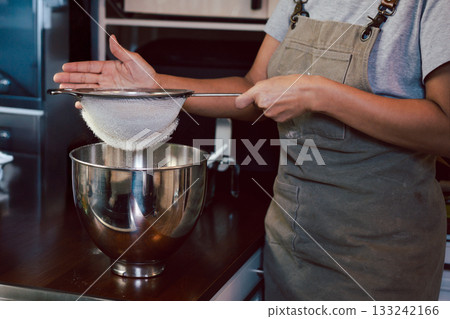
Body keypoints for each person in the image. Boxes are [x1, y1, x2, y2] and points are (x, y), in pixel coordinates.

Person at [54, 0, 450, 300]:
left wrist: (321, 93)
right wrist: (156, 86)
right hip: (289, 246)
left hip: (382, 257)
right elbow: (252, 89)